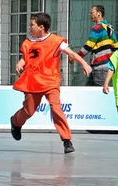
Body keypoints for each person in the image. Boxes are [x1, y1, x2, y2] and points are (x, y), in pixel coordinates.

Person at [10, 13, 92, 154]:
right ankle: (15, 122)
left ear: (41, 27)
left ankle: (67, 140)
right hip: (32, 81)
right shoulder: (28, 41)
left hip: (50, 81)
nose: (29, 27)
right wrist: (20, 63)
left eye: (32, 25)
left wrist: (84, 63)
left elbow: (71, 54)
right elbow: (26, 57)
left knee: (56, 108)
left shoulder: (56, 41)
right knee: (29, 111)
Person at [72, 5, 118, 86]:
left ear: (99, 13)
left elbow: (88, 46)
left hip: (99, 67)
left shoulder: (97, 28)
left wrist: (74, 57)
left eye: (91, 12)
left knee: (100, 93)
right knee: (89, 91)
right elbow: (116, 46)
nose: (89, 14)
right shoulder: (109, 27)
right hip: (106, 66)